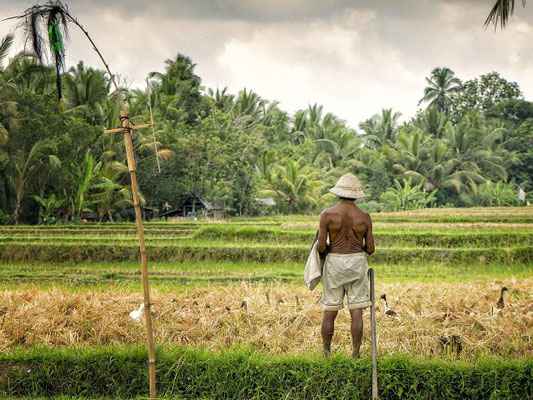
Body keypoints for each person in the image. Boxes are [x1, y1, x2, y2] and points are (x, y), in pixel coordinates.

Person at [317, 173, 375, 358]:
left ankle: (327, 354)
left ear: (338, 193)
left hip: (334, 261)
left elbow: (320, 246)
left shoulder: (327, 214)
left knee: (331, 309)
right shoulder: (364, 216)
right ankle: (356, 354)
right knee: (356, 309)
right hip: (357, 261)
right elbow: (371, 249)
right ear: (356, 194)